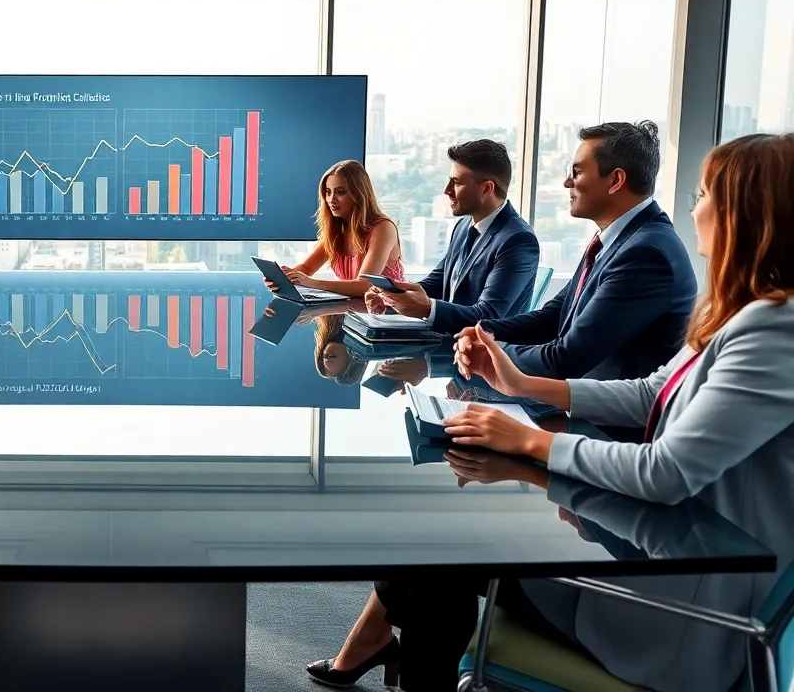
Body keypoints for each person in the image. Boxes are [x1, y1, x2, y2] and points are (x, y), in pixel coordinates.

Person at [310, 133, 794, 692]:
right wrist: (515, 381)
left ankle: (385, 651)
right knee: (434, 548)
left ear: (745, 213)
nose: (694, 207)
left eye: (707, 193)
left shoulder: (770, 329)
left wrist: (524, 443)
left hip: (686, 607)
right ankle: (381, 649)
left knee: (442, 555)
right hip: (674, 549)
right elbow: (648, 392)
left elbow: (667, 472)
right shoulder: (740, 312)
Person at [474, 121, 696, 381]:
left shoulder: (646, 254)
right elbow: (553, 318)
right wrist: (482, 331)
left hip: (605, 420)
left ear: (615, 180)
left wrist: (487, 349)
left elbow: (567, 359)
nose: (568, 182)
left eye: (577, 172)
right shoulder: (617, 238)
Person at [364, 140, 540, 334]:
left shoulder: (518, 240)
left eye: (456, 182)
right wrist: (391, 296)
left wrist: (428, 309)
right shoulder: (463, 226)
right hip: (450, 343)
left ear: (486, 189)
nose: (446, 190)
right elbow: (438, 282)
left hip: (489, 354)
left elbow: (489, 315)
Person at [270, 160, 403, 298]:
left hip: (391, 313)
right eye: (328, 192)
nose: (331, 199)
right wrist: (283, 279)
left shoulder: (383, 227)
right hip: (357, 310)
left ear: (359, 194)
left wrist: (311, 283)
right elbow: (306, 269)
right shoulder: (337, 230)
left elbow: (365, 285)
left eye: (341, 192)